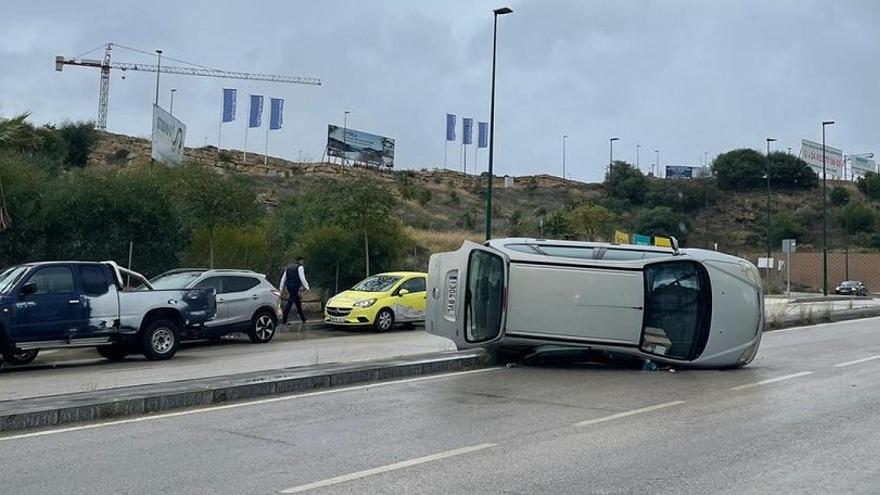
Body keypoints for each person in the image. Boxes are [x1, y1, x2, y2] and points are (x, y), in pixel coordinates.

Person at [280, 256, 310, 325]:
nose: (303, 263)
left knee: (297, 302)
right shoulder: (300, 267)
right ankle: (284, 319)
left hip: (289, 287)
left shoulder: (288, 267)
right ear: (300, 261)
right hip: (295, 287)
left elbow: (283, 279)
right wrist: (307, 287)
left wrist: (281, 288)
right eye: (303, 261)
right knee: (290, 303)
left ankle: (303, 319)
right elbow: (302, 279)